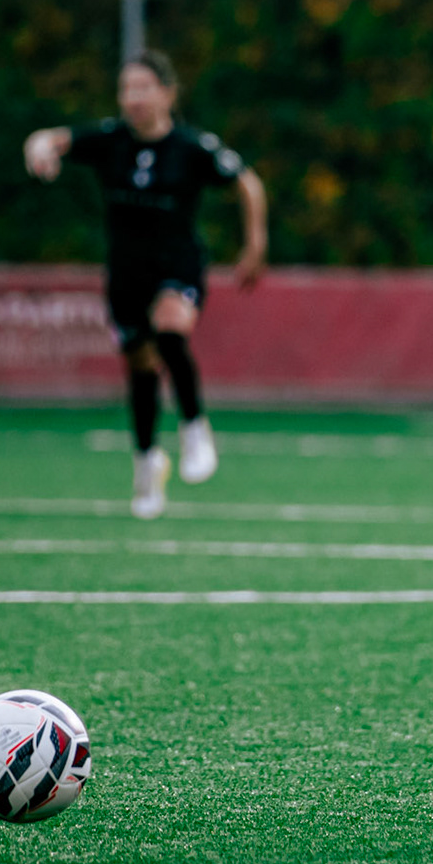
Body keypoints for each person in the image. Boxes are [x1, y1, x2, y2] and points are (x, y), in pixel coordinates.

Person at [24, 50, 268, 518]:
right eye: (126, 89)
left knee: (171, 330)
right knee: (140, 367)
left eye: (143, 88)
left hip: (177, 265)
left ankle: (195, 428)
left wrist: (254, 246)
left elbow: (248, 184)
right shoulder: (109, 140)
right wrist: (38, 150)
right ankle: (147, 464)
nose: (133, 98)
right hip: (126, 273)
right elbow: (47, 140)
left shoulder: (192, 147)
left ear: (168, 93)